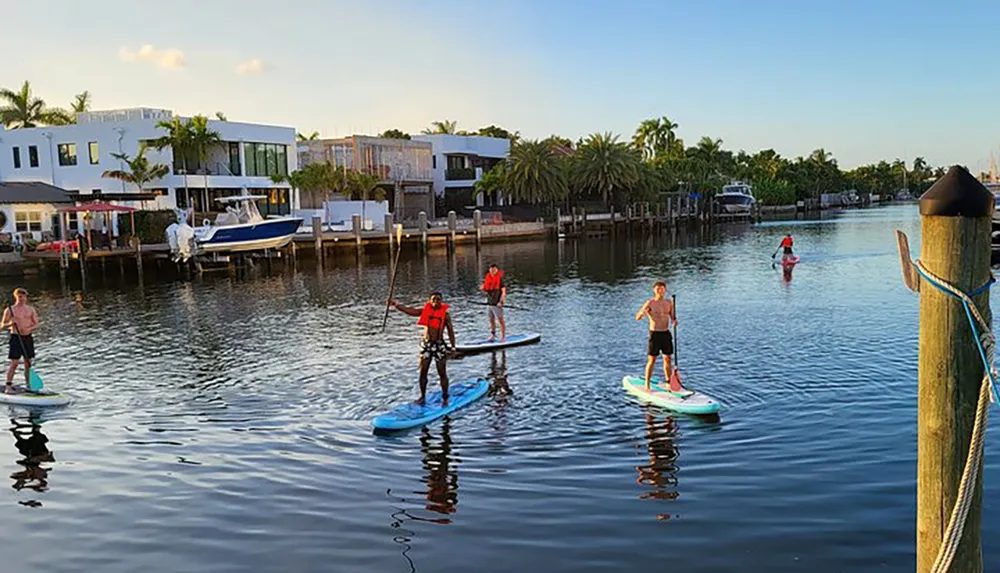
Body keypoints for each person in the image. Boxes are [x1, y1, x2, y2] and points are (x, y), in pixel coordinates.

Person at [389, 292, 457, 405]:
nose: (436, 301)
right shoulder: (424, 311)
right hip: (426, 345)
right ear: (429, 301)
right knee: (423, 372)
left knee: (442, 373)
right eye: (433, 299)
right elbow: (410, 311)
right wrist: (396, 305)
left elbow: (450, 331)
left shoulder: (445, 315)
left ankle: (445, 397)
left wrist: (453, 347)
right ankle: (422, 396)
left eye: (438, 299)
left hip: (439, 345)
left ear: (441, 301)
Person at [634, 281, 682, 392]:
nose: (660, 291)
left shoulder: (669, 302)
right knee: (652, 359)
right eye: (658, 289)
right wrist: (643, 313)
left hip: (666, 333)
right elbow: (637, 317)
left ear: (665, 290)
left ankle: (668, 382)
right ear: (654, 290)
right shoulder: (650, 303)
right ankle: (647, 384)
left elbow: (673, 316)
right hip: (655, 334)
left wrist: (674, 321)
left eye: (662, 288)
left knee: (667, 359)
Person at [1, 288, 39, 394]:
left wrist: (29, 329)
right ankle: (8, 386)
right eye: (19, 296)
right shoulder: (10, 310)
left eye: (23, 296)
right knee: (15, 362)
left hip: (27, 337)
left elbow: (36, 323)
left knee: (28, 363)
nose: (22, 299)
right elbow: (2, 325)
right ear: (16, 297)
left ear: (26, 297)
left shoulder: (30, 309)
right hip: (16, 337)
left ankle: (29, 385)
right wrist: (10, 324)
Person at [481, 264, 507, 342]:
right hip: (490, 303)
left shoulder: (500, 279)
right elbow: (485, 290)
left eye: (494, 269)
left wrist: (501, 301)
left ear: (496, 270)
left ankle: (503, 337)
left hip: (497, 303)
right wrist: (482, 288)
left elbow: (503, 292)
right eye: (491, 269)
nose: (492, 271)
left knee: (500, 320)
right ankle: (493, 335)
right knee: (491, 320)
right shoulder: (488, 279)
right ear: (489, 270)